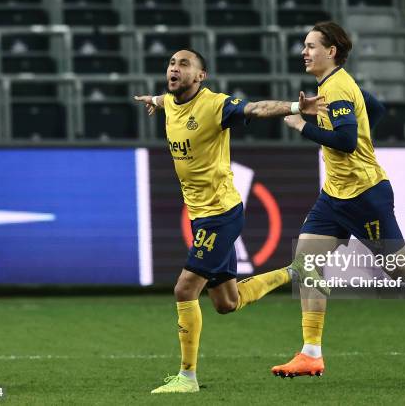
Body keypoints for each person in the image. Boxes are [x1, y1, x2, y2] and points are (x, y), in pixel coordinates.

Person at [271, 21, 405, 378]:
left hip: (365, 196)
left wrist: (303, 126)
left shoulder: (338, 87)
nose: (304, 52)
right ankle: (311, 352)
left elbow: (345, 141)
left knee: (401, 269)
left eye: (311, 46)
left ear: (332, 52)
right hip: (334, 195)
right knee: (306, 263)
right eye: (304, 45)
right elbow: (374, 109)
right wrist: (324, 114)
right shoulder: (335, 85)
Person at [133, 48, 327, 394]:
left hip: (219, 214)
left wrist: (297, 107)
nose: (174, 68)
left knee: (184, 288)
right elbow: (166, 101)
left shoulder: (214, 105)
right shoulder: (169, 102)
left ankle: (186, 378)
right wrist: (154, 100)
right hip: (200, 215)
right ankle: (295, 272)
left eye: (184, 64)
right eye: (172, 63)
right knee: (226, 302)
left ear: (200, 76)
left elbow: (255, 108)